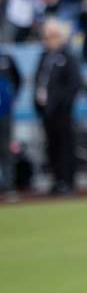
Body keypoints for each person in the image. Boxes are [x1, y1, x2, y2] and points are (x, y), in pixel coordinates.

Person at [34, 19, 83, 195]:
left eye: (53, 36)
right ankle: (57, 180)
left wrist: (63, 103)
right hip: (46, 111)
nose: (49, 40)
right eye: (46, 36)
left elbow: (74, 83)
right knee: (52, 147)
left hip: (63, 111)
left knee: (65, 146)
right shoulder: (43, 56)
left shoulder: (68, 57)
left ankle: (68, 181)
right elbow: (38, 81)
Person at [0, 46, 23, 199]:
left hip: (4, 112)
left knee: (5, 148)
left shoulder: (6, 58)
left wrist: (12, 97)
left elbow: (18, 79)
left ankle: (8, 186)